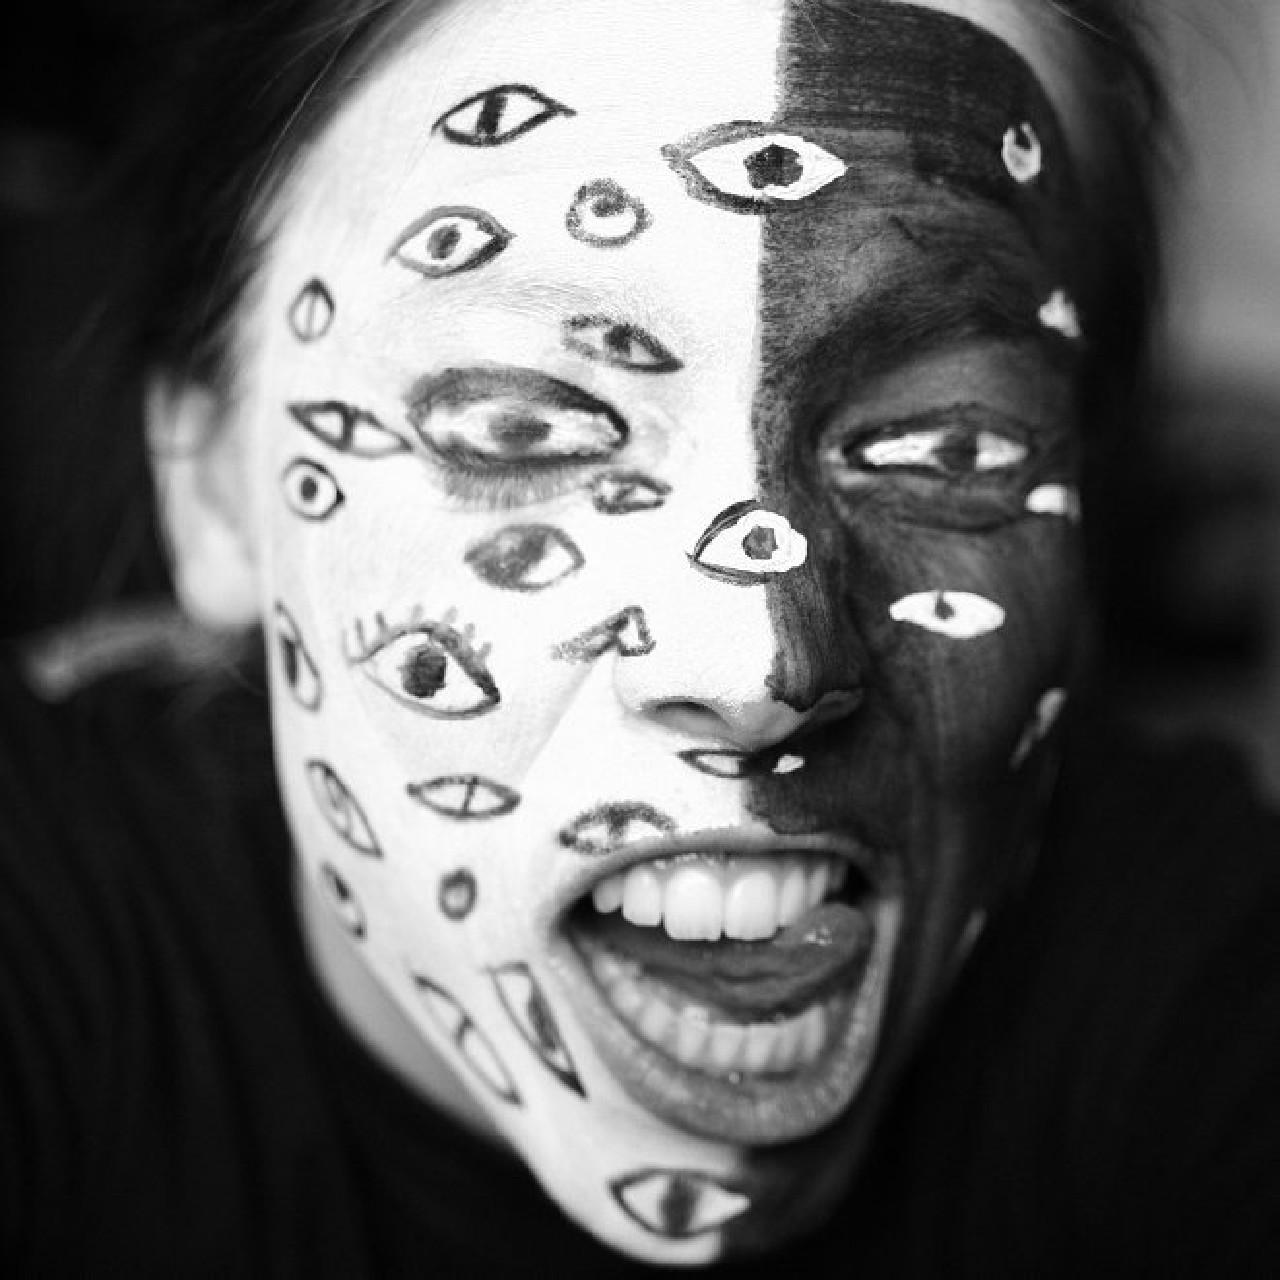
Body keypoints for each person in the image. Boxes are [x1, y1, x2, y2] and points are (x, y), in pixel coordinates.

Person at [3, 0, 1279, 1273]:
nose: (762, 668)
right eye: (518, 430)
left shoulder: (1183, 960)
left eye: (948, 444)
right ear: (214, 487)